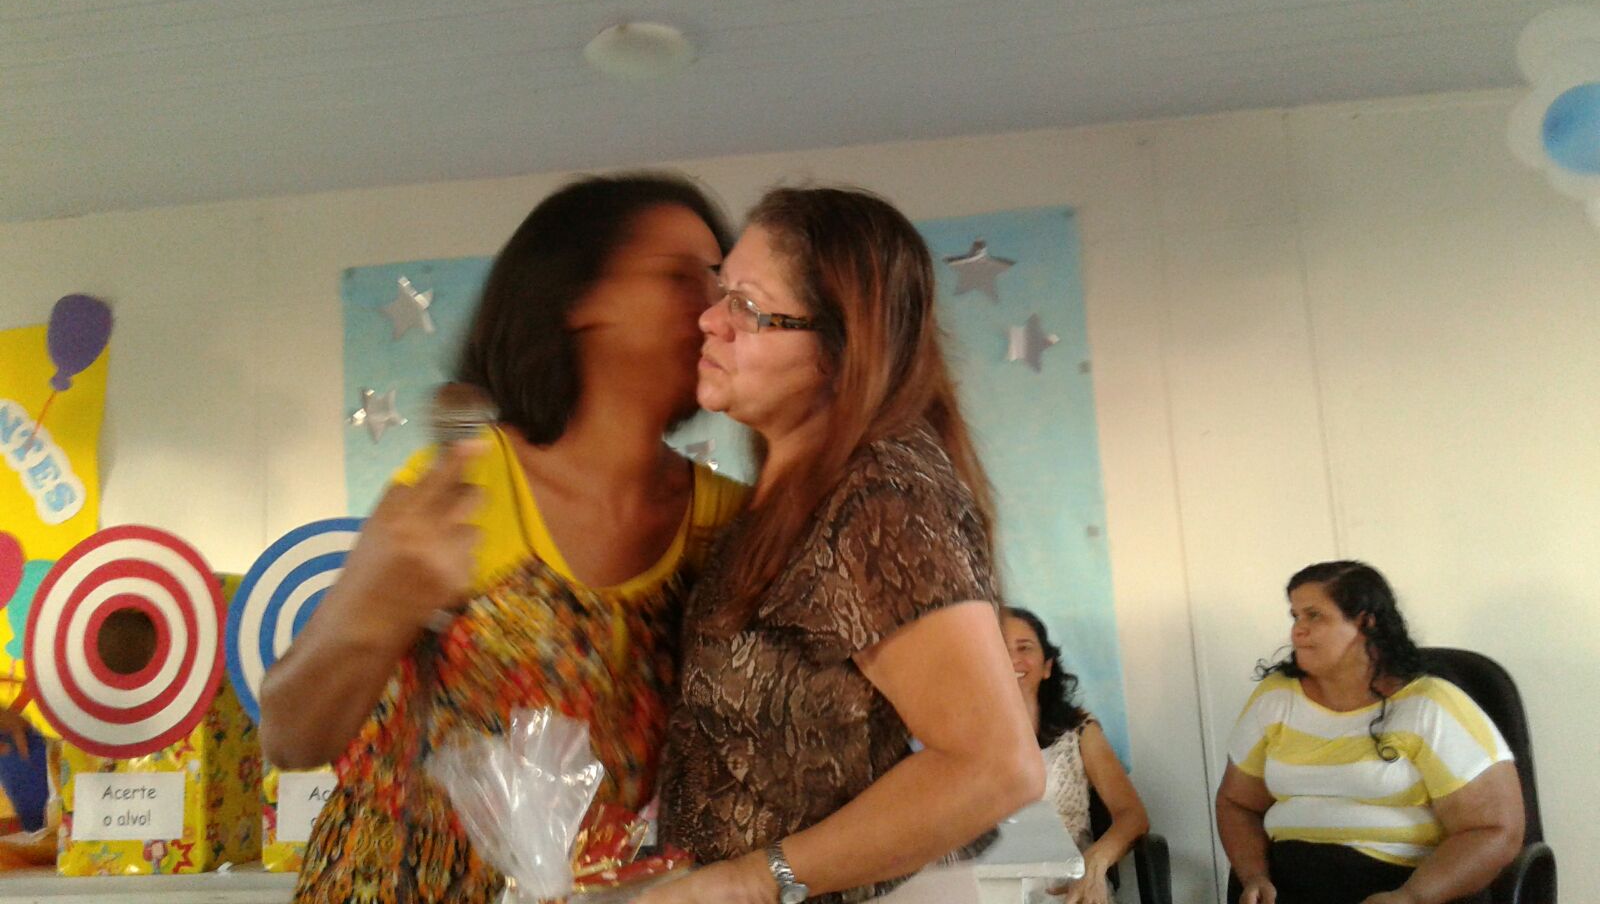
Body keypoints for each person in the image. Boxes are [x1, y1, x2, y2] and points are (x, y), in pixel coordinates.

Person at [259, 174, 748, 904]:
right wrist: (372, 606)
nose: (714, 309)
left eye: (723, 284)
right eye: (681, 277)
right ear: (576, 300)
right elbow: (290, 738)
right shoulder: (467, 486)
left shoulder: (727, 523)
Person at [642, 186, 1044, 904]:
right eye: (720, 292)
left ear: (839, 349)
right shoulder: (799, 488)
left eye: (746, 307)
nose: (709, 320)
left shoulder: (881, 498)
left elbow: (996, 769)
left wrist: (753, 881)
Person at [1215, 561, 1523, 904]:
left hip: (1401, 887)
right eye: (1295, 616)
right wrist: (1254, 876)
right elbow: (1237, 803)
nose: (1298, 631)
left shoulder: (1429, 706)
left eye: (1314, 616)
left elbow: (1494, 829)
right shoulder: (1276, 698)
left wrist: (1410, 896)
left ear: (1366, 622)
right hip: (1290, 883)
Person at [1003, 606, 1149, 904]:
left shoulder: (1079, 731)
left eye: (1024, 647)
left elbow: (1133, 816)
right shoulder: (959, 743)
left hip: (1067, 889)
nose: (1012, 659)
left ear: (1047, 666)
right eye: (1000, 649)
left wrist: (1095, 862)